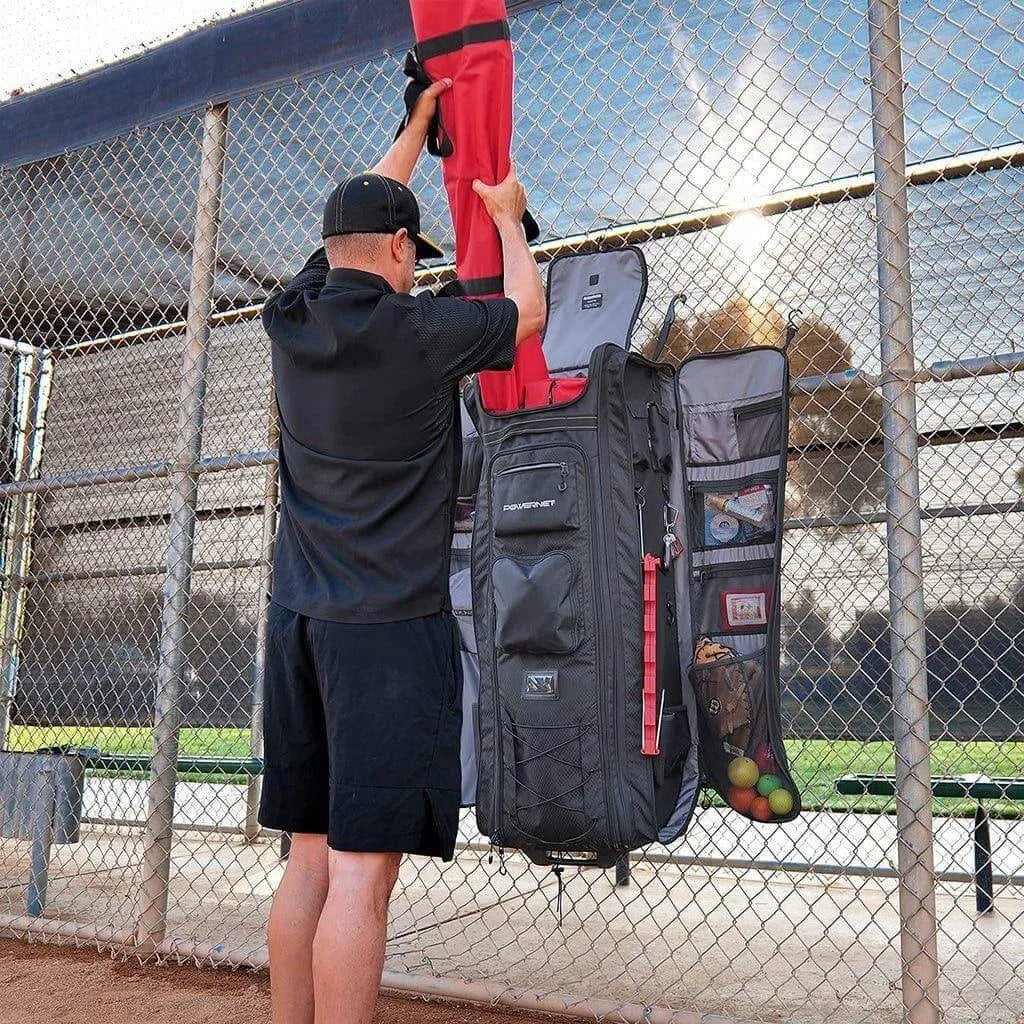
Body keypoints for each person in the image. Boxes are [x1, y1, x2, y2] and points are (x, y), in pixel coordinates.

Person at [258, 77, 546, 1024]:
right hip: (384, 637)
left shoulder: (290, 317)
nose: (418, 269)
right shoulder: (421, 332)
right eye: (410, 253)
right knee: (359, 879)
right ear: (393, 250)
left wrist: (415, 132)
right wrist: (506, 220)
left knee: (308, 858)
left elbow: (348, 227)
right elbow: (528, 314)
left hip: (298, 624)